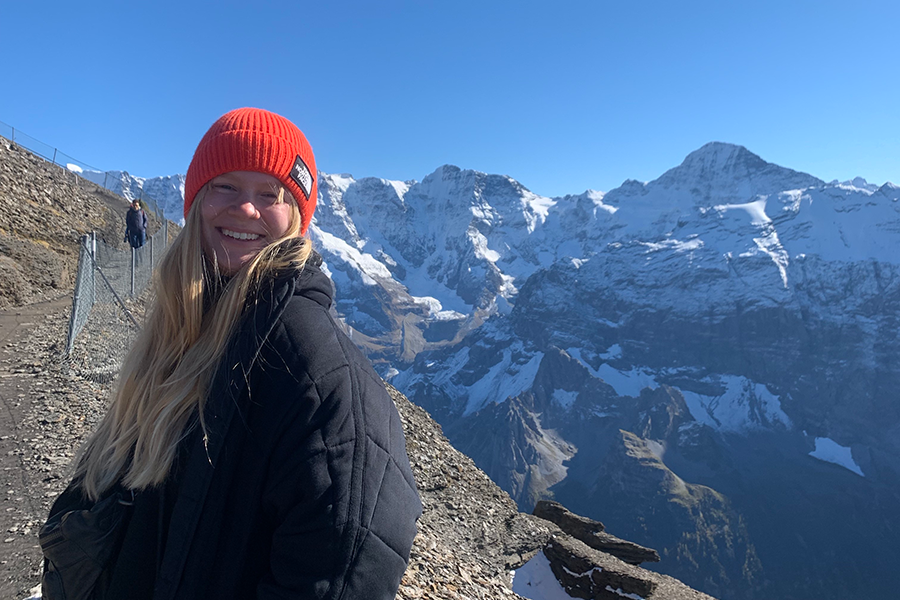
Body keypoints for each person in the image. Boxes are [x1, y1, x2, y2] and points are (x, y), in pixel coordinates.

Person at [43, 108, 422, 599]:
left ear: (296, 219)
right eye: (225, 186)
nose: (246, 209)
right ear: (196, 201)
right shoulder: (183, 330)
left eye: (271, 195)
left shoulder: (319, 372)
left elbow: (347, 566)